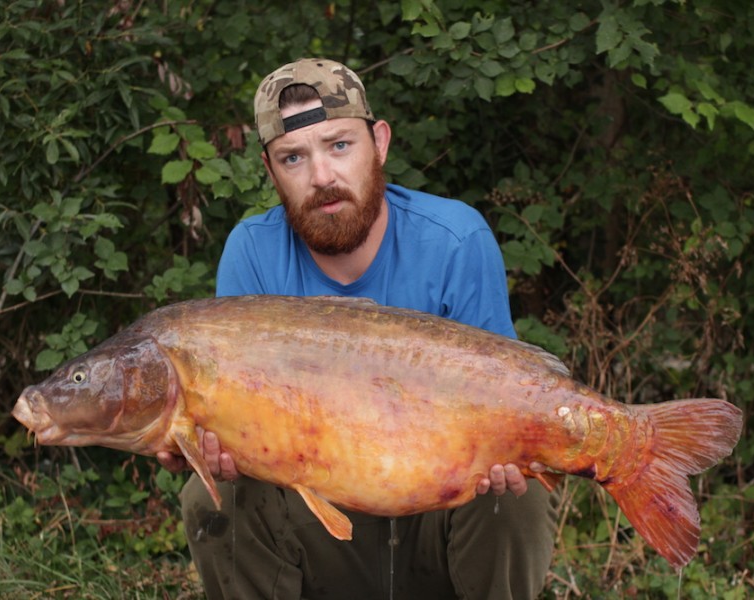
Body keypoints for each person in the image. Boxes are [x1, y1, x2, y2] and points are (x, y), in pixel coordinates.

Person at [158, 58, 557, 599]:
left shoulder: (456, 239)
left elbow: (507, 395)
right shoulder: (252, 254)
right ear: (270, 171)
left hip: (435, 517)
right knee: (214, 498)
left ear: (380, 143)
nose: (322, 177)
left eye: (339, 145)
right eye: (293, 157)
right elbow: (233, 418)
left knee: (515, 492)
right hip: (318, 525)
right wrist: (207, 442)